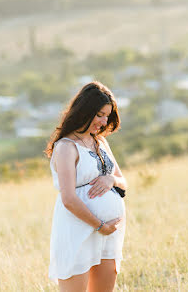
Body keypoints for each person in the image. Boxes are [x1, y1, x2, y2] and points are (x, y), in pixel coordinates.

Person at [45, 81, 127, 292]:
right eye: (99, 114)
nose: (103, 121)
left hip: (108, 234)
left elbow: (122, 182)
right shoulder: (66, 147)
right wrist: (100, 225)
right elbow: (69, 199)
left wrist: (111, 180)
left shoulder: (100, 142)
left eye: (107, 116)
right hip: (79, 230)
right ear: (85, 111)